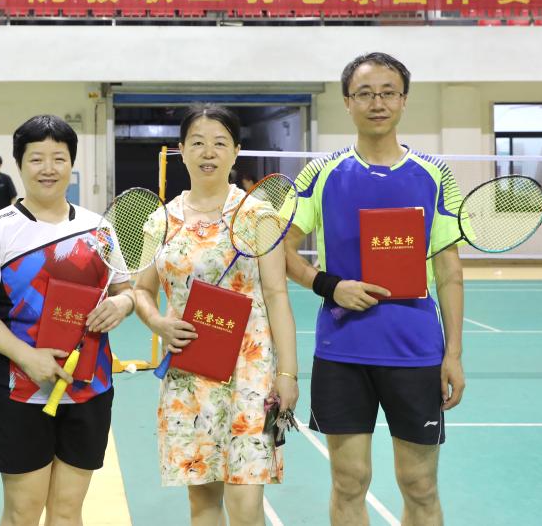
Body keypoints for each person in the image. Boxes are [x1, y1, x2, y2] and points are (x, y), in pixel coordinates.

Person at [283, 52, 465, 526]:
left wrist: (454, 354)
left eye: (388, 93)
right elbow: (281, 250)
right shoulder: (320, 172)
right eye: (364, 93)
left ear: (403, 100)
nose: (377, 103)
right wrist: (330, 286)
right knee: (349, 481)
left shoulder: (435, 174)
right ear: (347, 102)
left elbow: (449, 271)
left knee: (420, 484)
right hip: (343, 349)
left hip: (416, 351)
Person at [133, 104, 298, 526]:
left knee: (245, 505)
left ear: (236, 150)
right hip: (190, 372)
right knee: (202, 503)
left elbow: (277, 295)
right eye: (198, 143)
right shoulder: (160, 221)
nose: (208, 152)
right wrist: (157, 323)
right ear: (181, 150)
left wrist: (288, 374)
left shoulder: (258, 216)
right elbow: (142, 291)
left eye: (220, 143)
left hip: (250, 373)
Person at [0, 115, 135, 526]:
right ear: (19, 164)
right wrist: (27, 357)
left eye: (58, 158)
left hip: (90, 387)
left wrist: (123, 304)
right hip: (21, 390)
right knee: (22, 513)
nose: (48, 168)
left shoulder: (99, 229)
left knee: (67, 511)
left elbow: (128, 290)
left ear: (71, 164)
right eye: (36, 158)